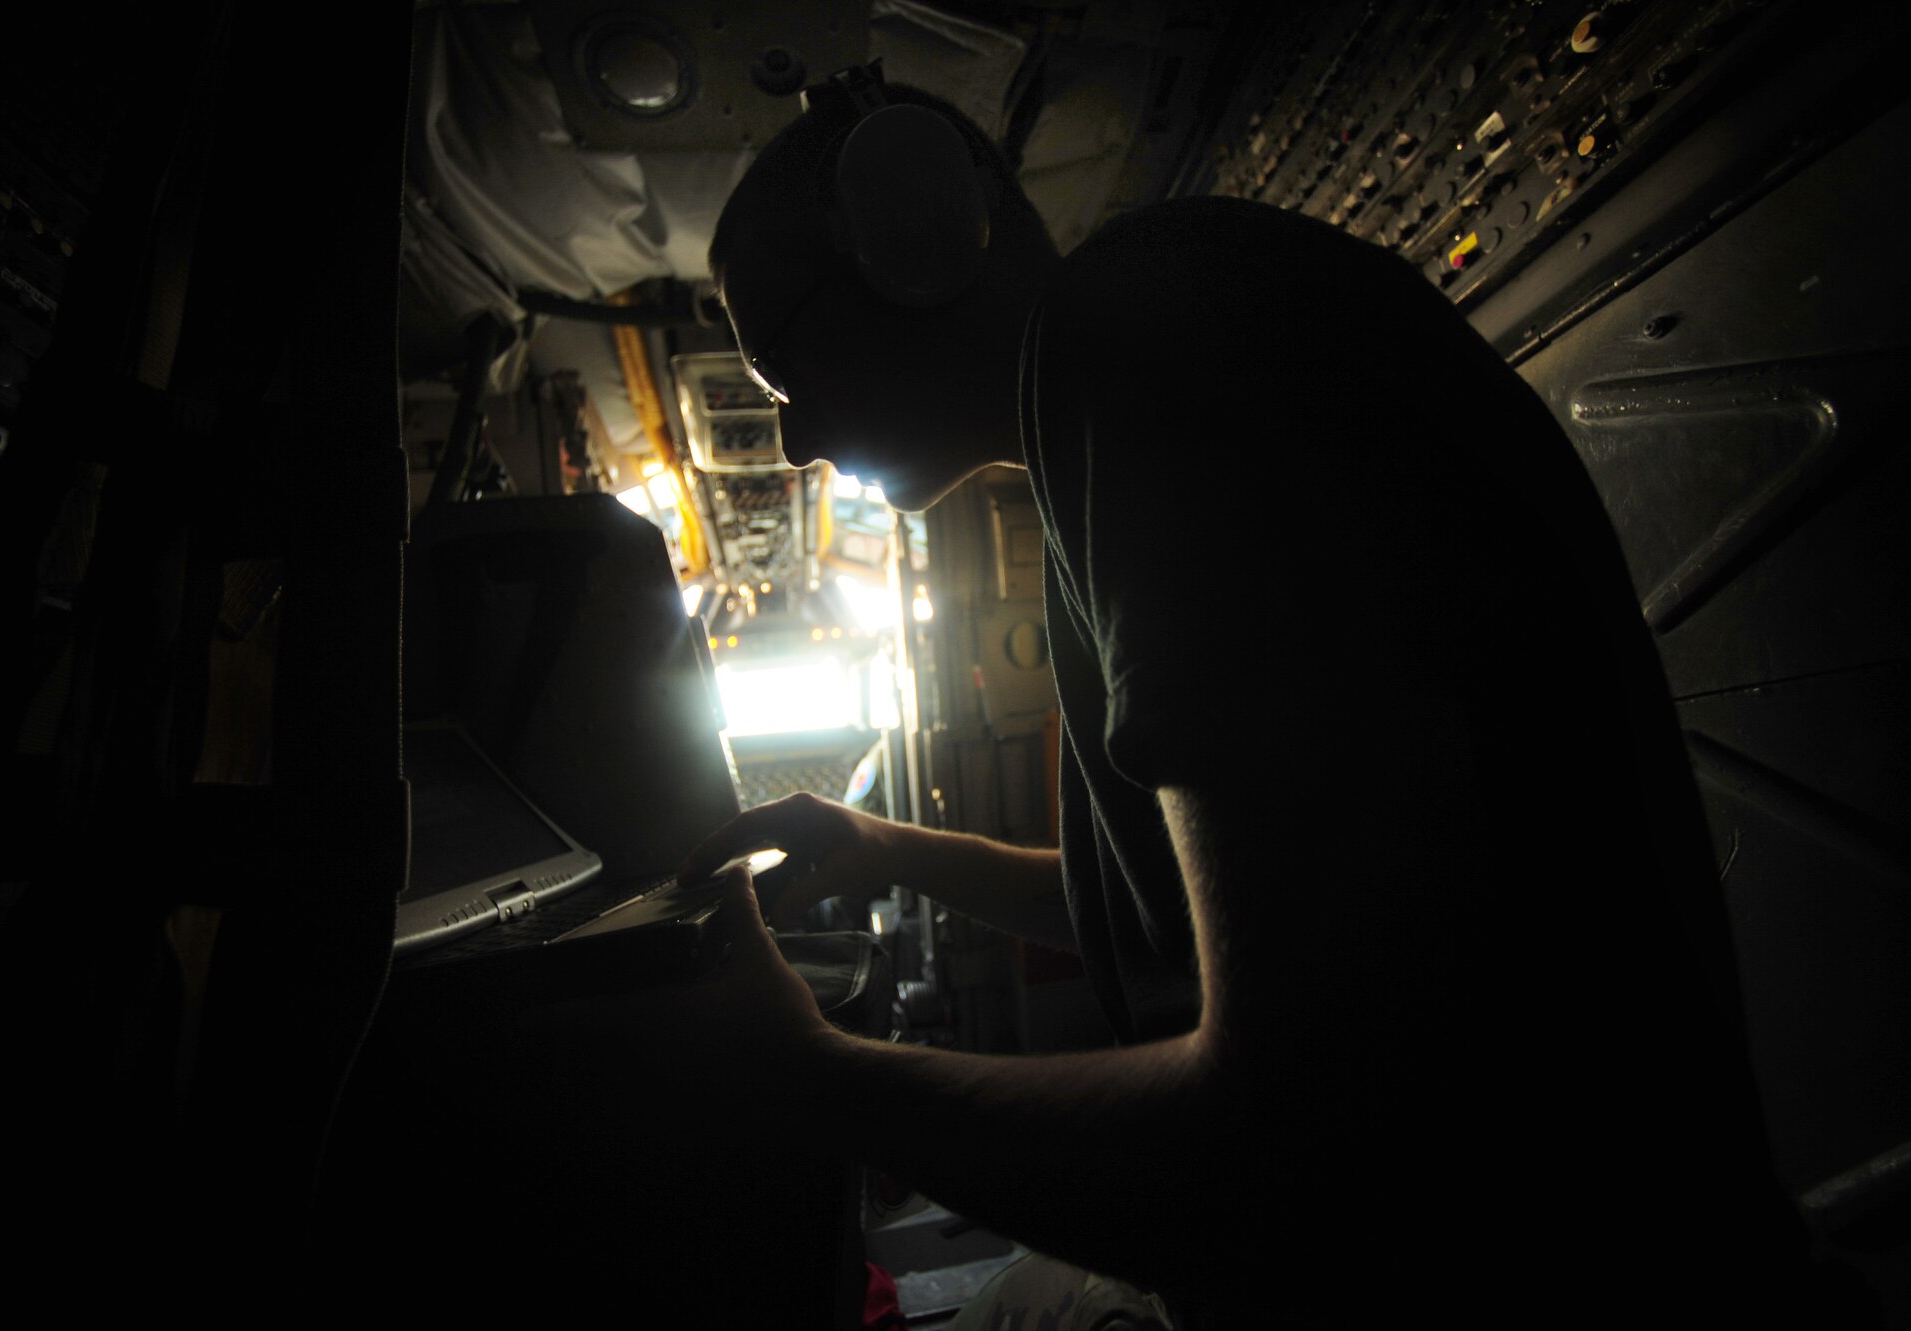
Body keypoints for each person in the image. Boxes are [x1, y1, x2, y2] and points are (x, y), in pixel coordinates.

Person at [591, 66, 1813, 1325]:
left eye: (780, 365)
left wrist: (801, 1072)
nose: (790, 440)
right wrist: (878, 846)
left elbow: (1289, 1146)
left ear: (908, 233)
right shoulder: (1114, 381)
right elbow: (1178, 906)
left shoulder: (1139, 327)